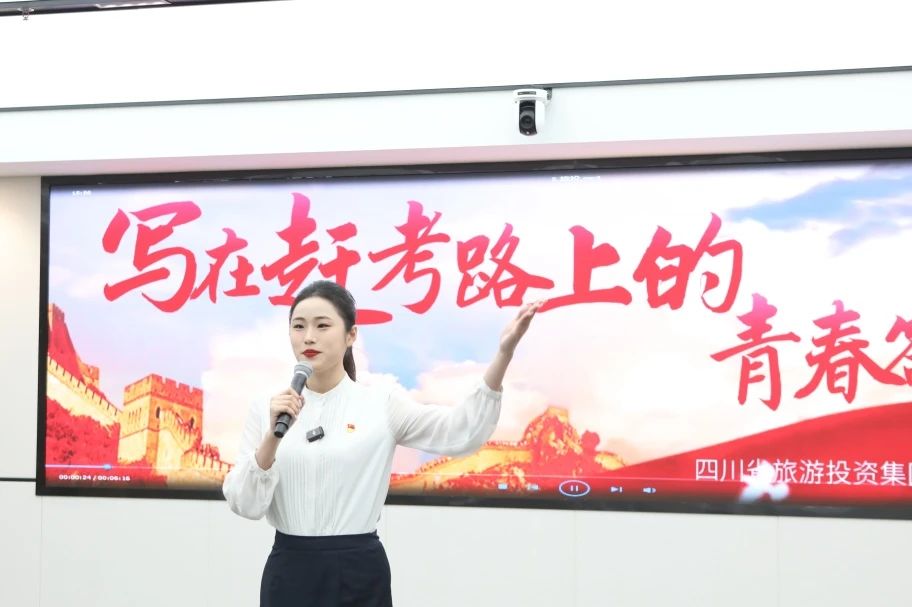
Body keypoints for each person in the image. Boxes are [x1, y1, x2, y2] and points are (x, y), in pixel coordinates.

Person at [223, 280, 542, 607]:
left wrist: (504, 355)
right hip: (291, 571)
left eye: (322, 325)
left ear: (351, 335)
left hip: (358, 572)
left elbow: (460, 431)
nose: (309, 337)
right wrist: (272, 437)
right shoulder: (268, 407)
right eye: (299, 326)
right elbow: (245, 503)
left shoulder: (380, 403)